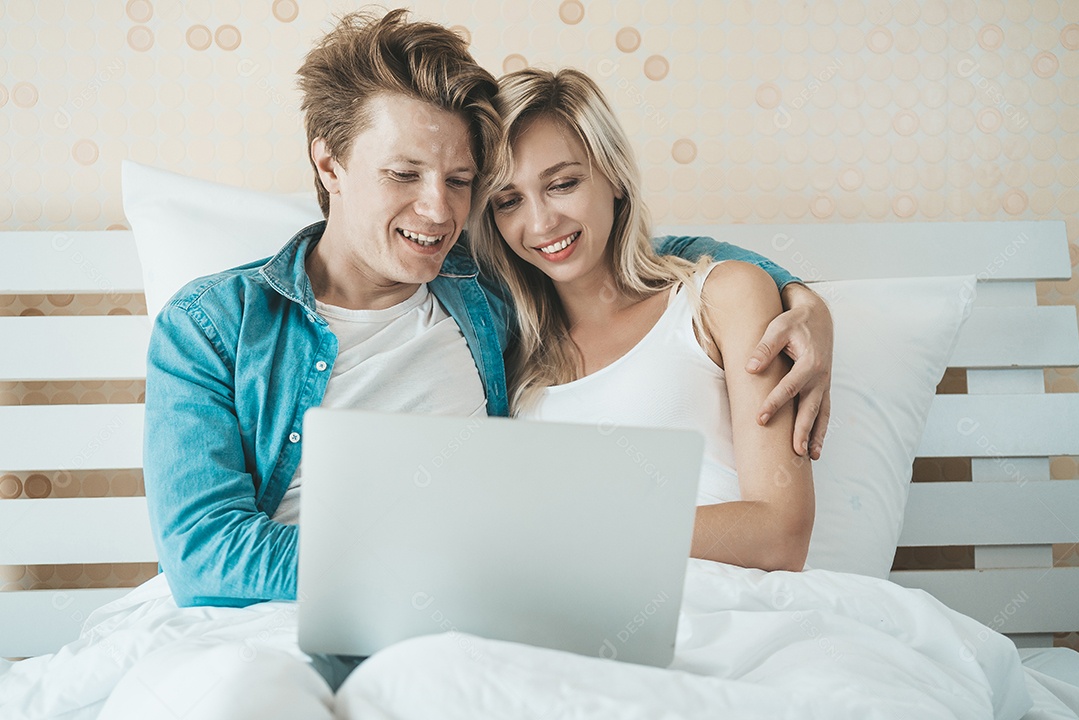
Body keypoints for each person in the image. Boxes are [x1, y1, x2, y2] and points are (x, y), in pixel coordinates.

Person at [102, 8, 832, 715]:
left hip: (471, 631)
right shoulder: (213, 324)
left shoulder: (483, 291)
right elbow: (204, 552)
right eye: (404, 174)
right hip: (280, 620)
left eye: (459, 182)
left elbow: (620, 253)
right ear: (330, 161)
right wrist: (427, 567)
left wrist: (796, 292)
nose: (437, 212)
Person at [470, 68, 815, 571]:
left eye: (563, 184)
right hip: (571, 623)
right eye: (509, 201)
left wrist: (586, 534)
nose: (542, 223)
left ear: (613, 176)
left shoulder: (722, 297)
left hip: (730, 607)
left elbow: (781, 537)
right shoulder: (511, 360)